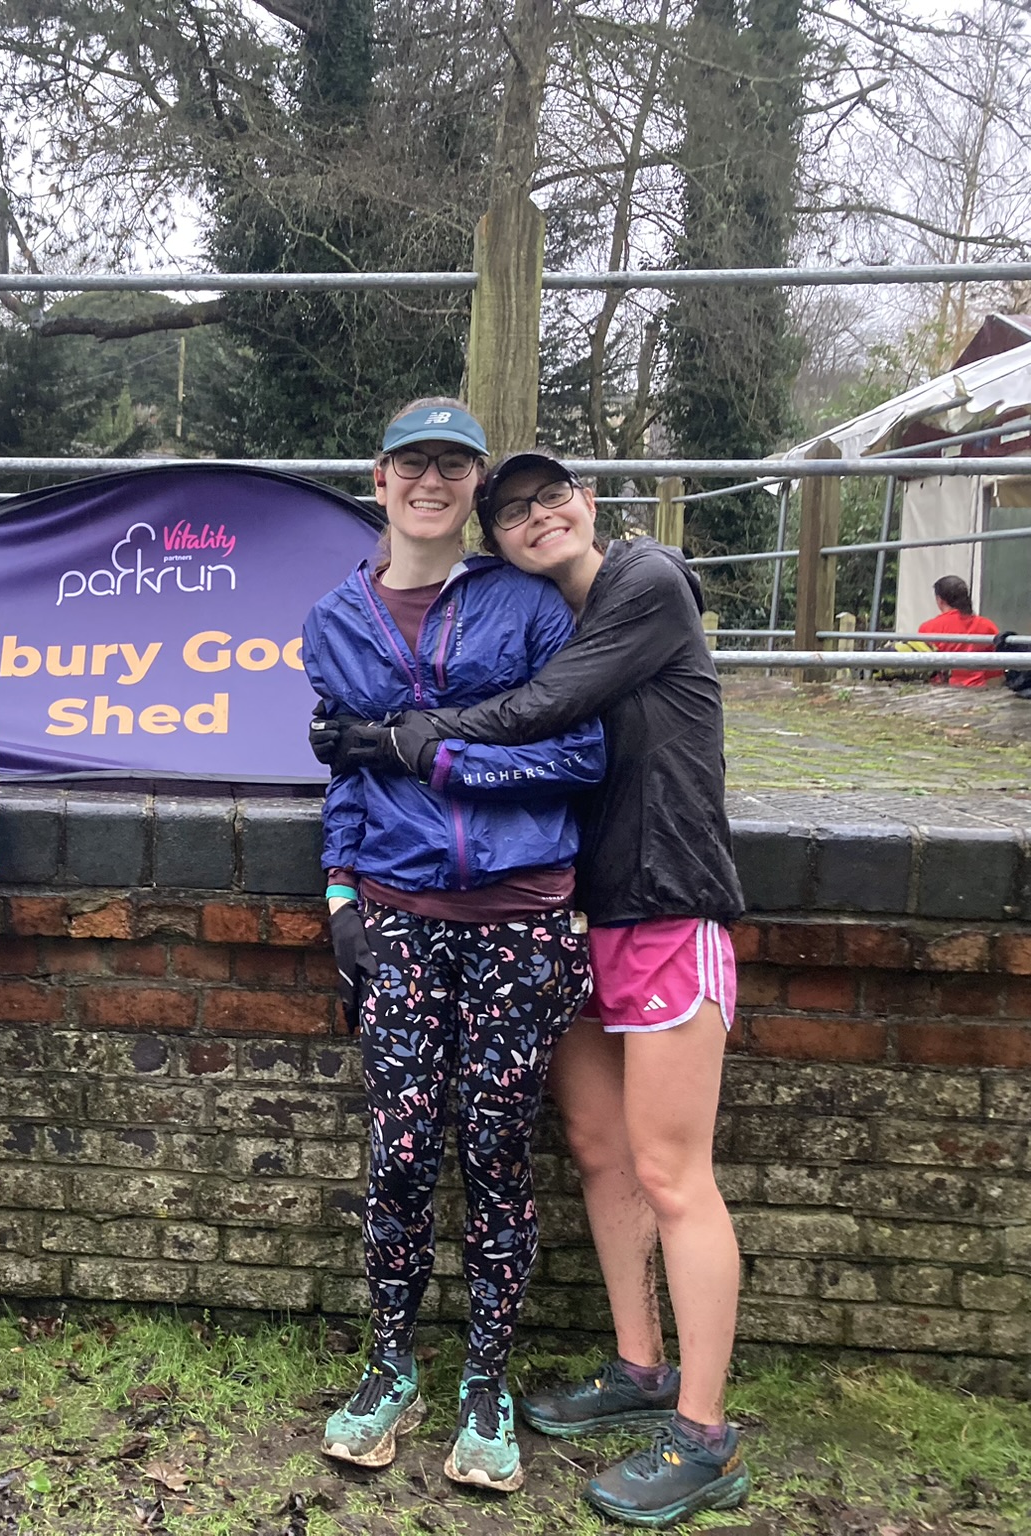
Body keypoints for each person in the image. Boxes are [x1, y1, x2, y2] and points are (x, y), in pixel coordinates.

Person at [384, 451, 753, 1529]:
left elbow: (548, 706)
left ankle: (703, 1436)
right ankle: (638, 1366)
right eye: (509, 512)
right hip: (575, 920)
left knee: (671, 1171)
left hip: (666, 910)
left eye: (551, 497)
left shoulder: (644, 581)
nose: (535, 516)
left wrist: (416, 736)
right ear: (492, 540)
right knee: (598, 1153)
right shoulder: (546, 615)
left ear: (589, 505)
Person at [304, 401, 603, 1494]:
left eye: (452, 465)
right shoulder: (333, 618)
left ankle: (487, 1377)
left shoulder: (523, 607)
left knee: (494, 1154)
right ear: (377, 478)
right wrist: (338, 901)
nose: (430, 480)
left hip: (519, 915)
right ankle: (391, 1365)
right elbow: (341, 772)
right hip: (395, 915)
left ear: (473, 485)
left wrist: (428, 759)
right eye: (411, 463)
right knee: (395, 1151)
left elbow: (577, 757)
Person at [917, 573, 1001, 687]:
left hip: (941, 692)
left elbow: (923, 669)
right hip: (979, 690)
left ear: (939, 600)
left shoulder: (928, 628)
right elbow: (996, 670)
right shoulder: (988, 626)